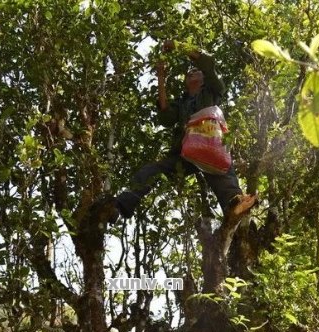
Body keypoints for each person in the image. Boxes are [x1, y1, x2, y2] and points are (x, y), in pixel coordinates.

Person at [93, 40, 257, 225]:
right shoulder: (182, 102)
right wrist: (161, 76)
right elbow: (165, 115)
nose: (192, 73)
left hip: (211, 146)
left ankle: (237, 213)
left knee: (225, 179)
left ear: (204, 78)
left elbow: (207, 62)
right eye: (188, 74)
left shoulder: (212, 91)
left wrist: (178, 46)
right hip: (186, 152)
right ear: (186, 84)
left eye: (196, 71)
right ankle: (120, 207)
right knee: (151, 171)